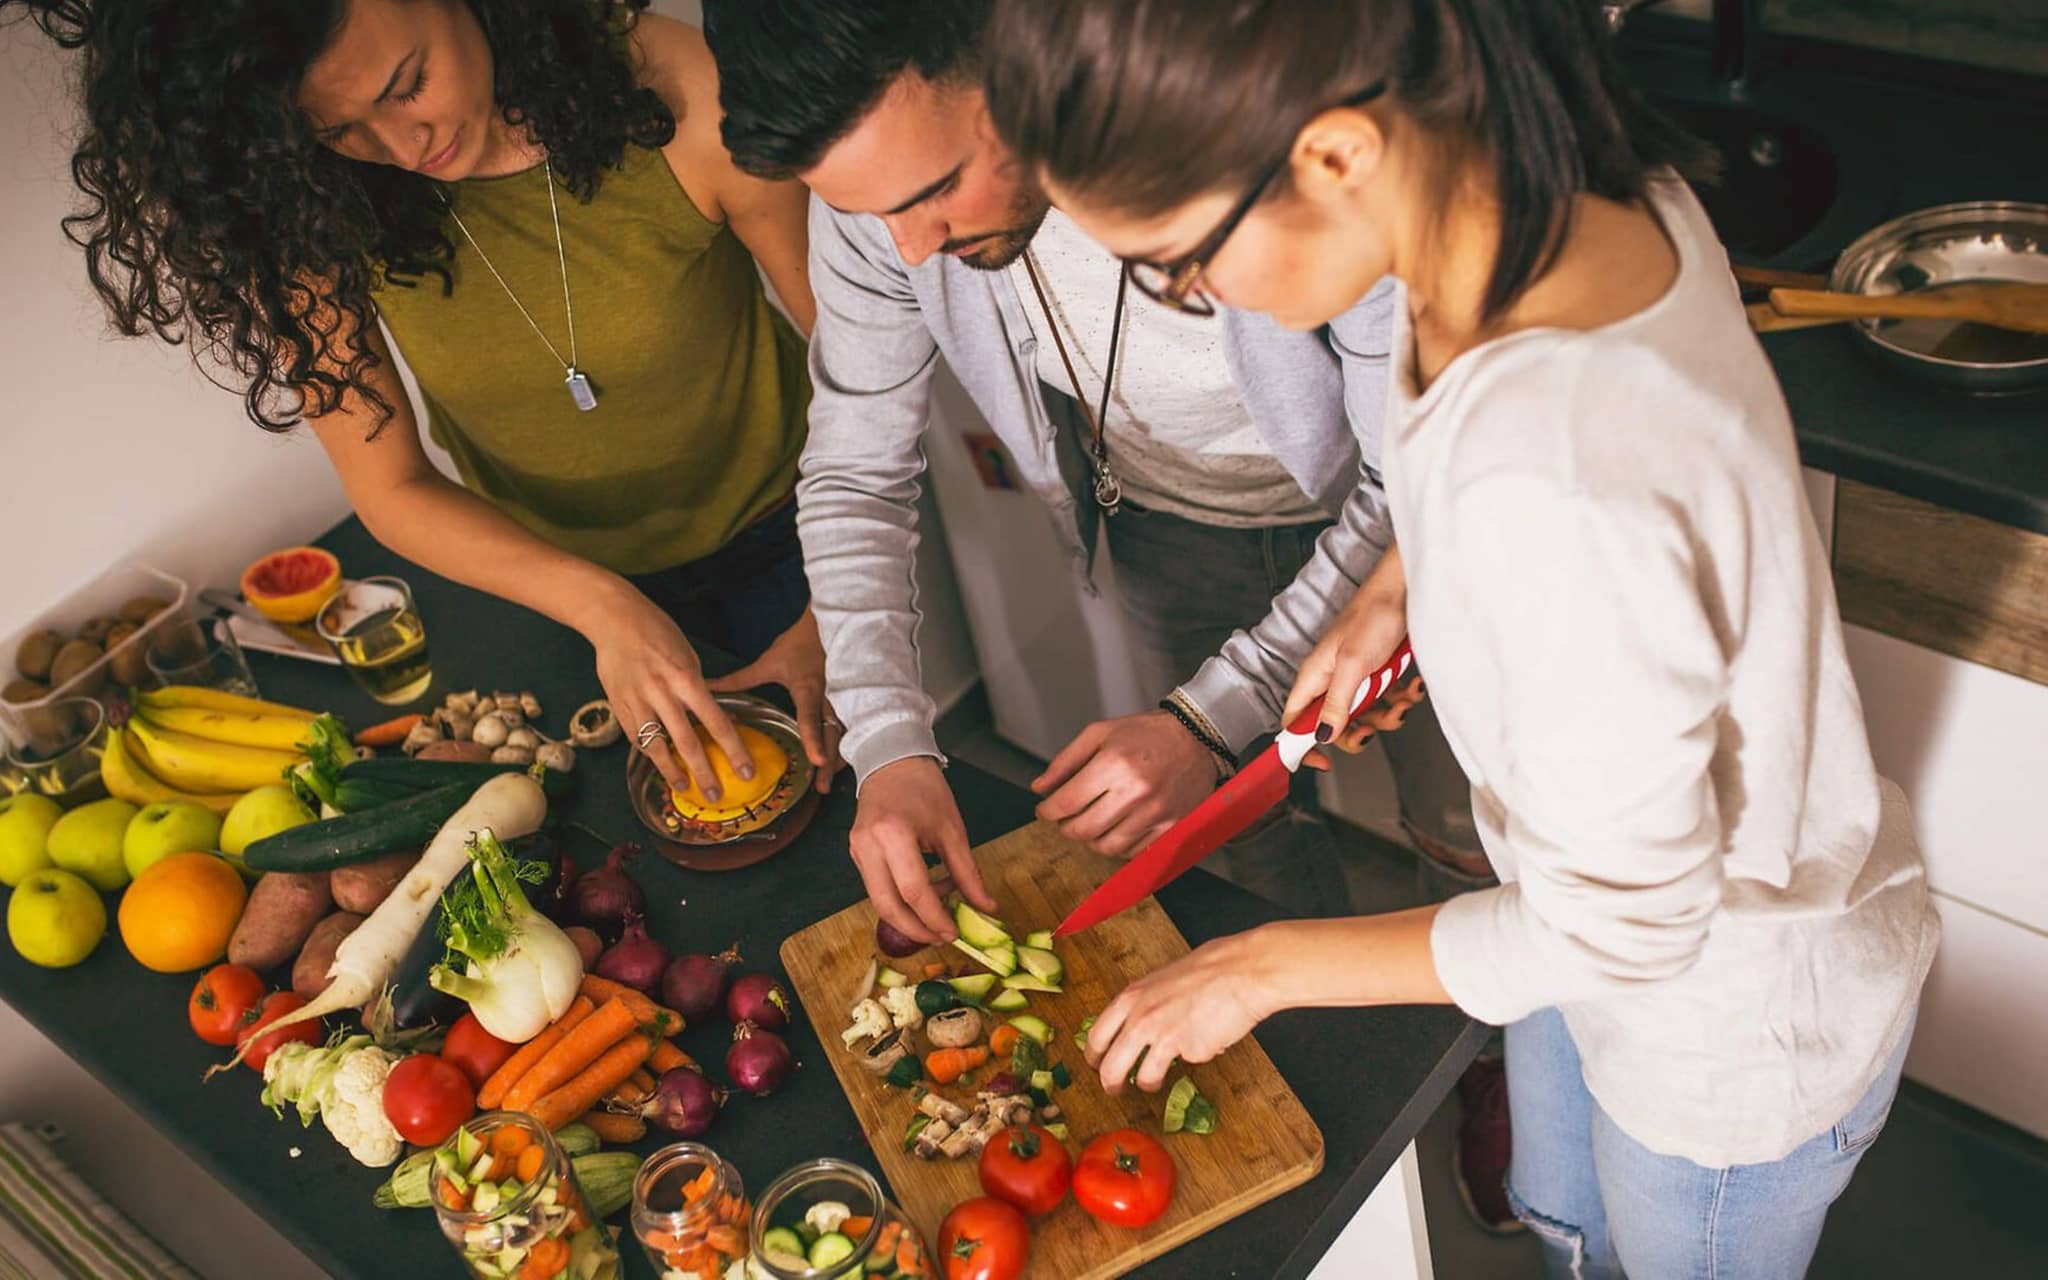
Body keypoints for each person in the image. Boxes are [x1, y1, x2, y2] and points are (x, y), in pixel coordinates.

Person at [981, 1, 1940, 1275]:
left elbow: (1631, 926)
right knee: (1561, 1222)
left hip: (1718, 1031)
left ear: (1331, 155)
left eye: (1170, 259)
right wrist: (1402, 590)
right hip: (1579, 926)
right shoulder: (1550, 189)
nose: (1188, 296)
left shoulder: (1552, 479)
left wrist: (1259, 967)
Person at [699, 0, 1483, 936]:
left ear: (1019, 63)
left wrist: (1211, 717)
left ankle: (1482, 1052)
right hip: (1173, 521)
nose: (911, 250)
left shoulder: (1277, 117)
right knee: (1240, 830)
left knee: (1471, 817)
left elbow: (1419, 474)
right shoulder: (885, 202)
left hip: (1445, 513)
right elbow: (853, 471)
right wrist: (889, 744)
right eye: (864, 214)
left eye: (933, 191)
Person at [14, 0, 834, 800]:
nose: (403, 150)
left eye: (407, 85)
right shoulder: (316, 205)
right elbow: (389, 486)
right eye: (337, 130)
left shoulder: (680, 94)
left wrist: (834, 611)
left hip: (797, 532)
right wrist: (599, 604)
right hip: (544, 578)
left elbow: (868, 374)